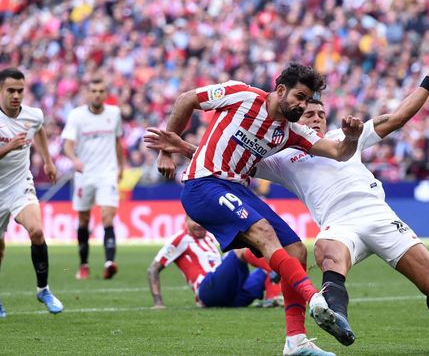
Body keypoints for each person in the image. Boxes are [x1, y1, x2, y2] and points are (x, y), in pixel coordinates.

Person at [146, 53, 429, 354]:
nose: (310, 113)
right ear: (283, 92)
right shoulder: (281, 153)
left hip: (379, 216)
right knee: (324, 252)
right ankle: (326, 310)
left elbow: (390, 121)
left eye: (317, 109)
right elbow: (227, 156)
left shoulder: (329, 138)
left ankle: (300, 339)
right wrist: (176, 146)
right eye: (304, 107)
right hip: (337, 224)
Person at [154, 63, 363, 356]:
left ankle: (296, 341)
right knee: (263, 232)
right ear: (281, 90)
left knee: (296, 250)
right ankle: (314, 298)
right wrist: (166, 150)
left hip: (238, 189)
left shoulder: (291, 132)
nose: (303, 105)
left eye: (308, 100)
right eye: (300, 97)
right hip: (203, 184)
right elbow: (186, 99)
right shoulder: (241, 95)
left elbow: (338, 152)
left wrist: (351, 137)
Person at [0, 68, 64, 317]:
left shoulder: (33, 115)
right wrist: (10, 147)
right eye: (10, 90)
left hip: (20, 185)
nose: (16, 96)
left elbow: (39, 129)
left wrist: (48, 161)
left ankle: (43, 289)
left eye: (20, 91)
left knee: (37, 231)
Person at [61, 77, 124, 280]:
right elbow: (67, 144)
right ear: (88, 94)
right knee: (84, 219)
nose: (97, 94)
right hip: (85, 173)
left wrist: (121, 167)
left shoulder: (114, 113)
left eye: (101, 91)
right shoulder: (77, 115)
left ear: (106, 94)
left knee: (107, 216)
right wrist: (74, 160)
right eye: (94, 91)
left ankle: (109, 263)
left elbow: (117, 142)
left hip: (107, 172)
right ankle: (84, 264)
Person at [148, 217, 283, 309]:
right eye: (194, 220)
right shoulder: (180, 239)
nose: (199, 225)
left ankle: (273, 299)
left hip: (231, 296)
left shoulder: (210, 237)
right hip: (207, 292)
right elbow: (153, 269)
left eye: (202, 221)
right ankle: (276, 270)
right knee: (240, 251)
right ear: (186, 220)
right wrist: (158, 303)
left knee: (266, 267)